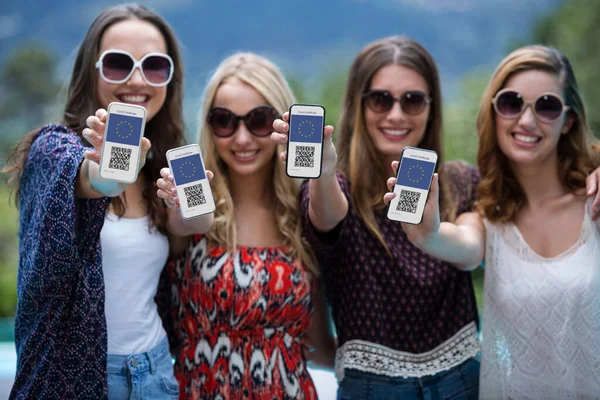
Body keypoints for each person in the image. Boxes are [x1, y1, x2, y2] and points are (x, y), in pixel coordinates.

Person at [3, 4, 211, 399]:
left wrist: (193, 209)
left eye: (154, 66)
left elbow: (195, 226)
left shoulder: (166, 165)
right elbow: (101, 180)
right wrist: (111, 169)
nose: (137, 79)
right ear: (91, 71)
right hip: (75, 383)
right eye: (118, 64)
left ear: (170, 79)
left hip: (156, 375)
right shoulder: (53, 150)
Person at [384, 45, 600, 399]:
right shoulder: (487, 217)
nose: (527, 121)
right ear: (495, 112)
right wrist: (428, 233)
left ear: (568, 121)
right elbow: (462, 246)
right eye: (512, 103)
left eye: (546, 107)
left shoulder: (596, 205)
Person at [272, 35, 482, 399]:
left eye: (413, 100)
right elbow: (326, 216)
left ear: (432, 107)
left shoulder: (458, 180)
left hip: (460, 381)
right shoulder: (334, 187)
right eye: (380, 99)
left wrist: (430, 235)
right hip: (372, 388)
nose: (396, 114)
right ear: (358, 104)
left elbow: (472, 251)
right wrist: (321, 172)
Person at [155, 52, 335, 399]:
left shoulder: (305, 213)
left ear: (282, 125)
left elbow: (319, 346)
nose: (241, 138)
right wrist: (181, 204)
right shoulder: (192, 199)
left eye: (259, 121)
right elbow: (184, 222)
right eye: (224, 120)